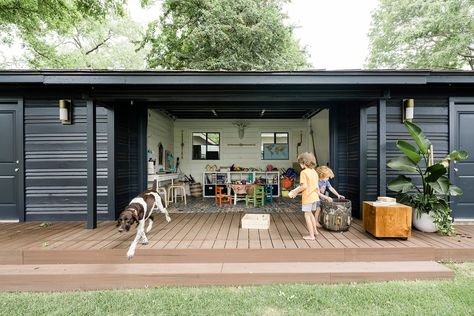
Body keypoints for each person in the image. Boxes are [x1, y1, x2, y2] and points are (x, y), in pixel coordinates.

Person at [288, 152, 319, 240]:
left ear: (304, 163)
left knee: (307, 215)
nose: (300, 165)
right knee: (311, 214)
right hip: (314, 196)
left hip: (308, 197)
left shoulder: (304, 172)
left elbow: (304, 186)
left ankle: (311, 236)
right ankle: (315, 231)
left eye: (300, 163)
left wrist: (295, 192)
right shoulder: (314, 171)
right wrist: (296, 190)